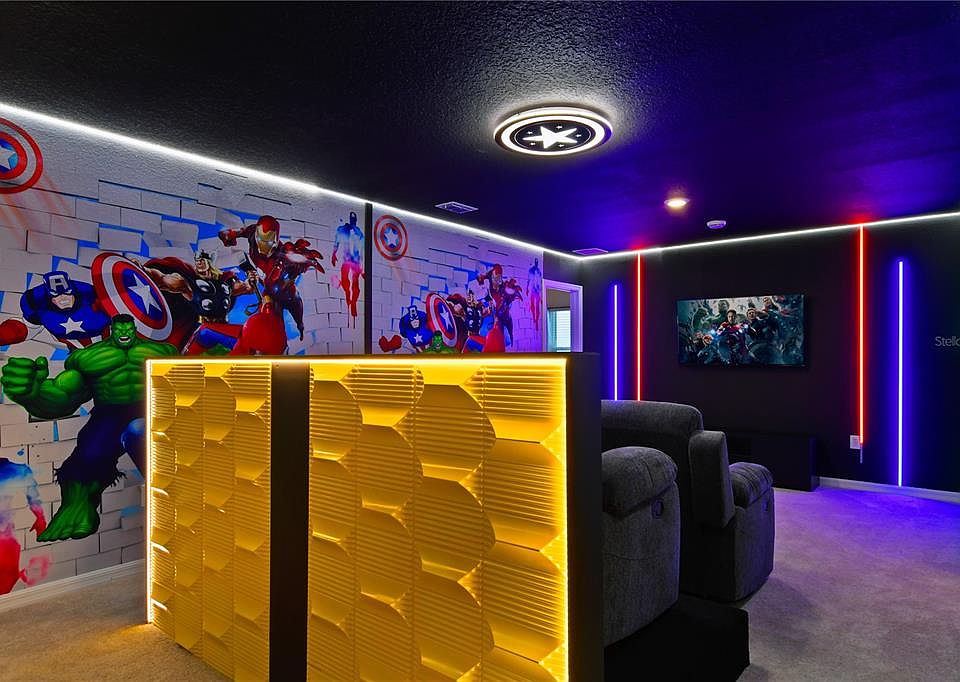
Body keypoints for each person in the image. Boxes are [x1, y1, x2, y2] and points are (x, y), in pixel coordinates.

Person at [0, 314, 178, 541]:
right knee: (87, 457)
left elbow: (182, 387)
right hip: (110, 412)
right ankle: (77, 507)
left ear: (134, 329)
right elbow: (66, 395)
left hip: (152, 408)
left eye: (128, 328)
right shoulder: (89, 358)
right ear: (112, 329)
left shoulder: (162, 352)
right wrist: (34, 394)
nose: (124, 333)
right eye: (119, 328)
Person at [218, 215, 325, 342]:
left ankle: (299, 328)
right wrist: (230, 235)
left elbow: (276, 279)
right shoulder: (252, 233)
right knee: (268, 323)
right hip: (268, 291)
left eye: (268, 242)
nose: (262, 246)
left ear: (275, 239)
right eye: (260, 240)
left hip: (285, 293)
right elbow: (240, 232)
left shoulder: (283, 255)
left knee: (295, 313)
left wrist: (297, 267)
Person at [142, 250, 257, 354]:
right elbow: (161, 279)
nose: (199, 263)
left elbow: (248, 288)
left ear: (209, 262)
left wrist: (252, 280)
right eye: (197, 260)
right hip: (201, 335)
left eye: (202, 260)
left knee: (251, 336)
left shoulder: (224, 284)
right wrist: (143, 270)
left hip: (223, 330)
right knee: (208, 332)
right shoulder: (189, 283)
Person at [19, 271, 111, 350]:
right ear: (51, 299)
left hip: (109, 343)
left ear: (73, 292)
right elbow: (29, 327)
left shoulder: (94, 298)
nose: (63, 298)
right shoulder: (37, 306)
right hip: (76, 351)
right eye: (56, 295)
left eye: (67, 293)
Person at [0, 458, 49, 594]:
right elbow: (34, 497)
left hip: (5, 537)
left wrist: (40, 519)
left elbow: (33, 497)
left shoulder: (19, 470)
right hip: (6, 536)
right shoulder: (20, 470)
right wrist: (40, 519)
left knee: (8, 576)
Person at [331, 212, 364, 325]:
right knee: (345, 280)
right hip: (346, 260)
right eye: (352, 220)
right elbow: (337, 241)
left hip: (356, 261)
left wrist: (363, 268)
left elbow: (362, 249)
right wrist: (333, 254)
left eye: (354, 220)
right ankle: (347, 296)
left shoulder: (358, 232)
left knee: (355, 284)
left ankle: (353, 303)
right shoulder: (343, 229)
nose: (353, 221)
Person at [527, 258, 543, 329]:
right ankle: (534, 318)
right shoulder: (531, 270)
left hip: (537, 291)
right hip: (532, 290)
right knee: (532, 305)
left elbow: (541, 282)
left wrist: (542, 295)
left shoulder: (539, 271)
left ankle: (536, 321)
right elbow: (529, 280)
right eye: (536, 262)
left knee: (537, 306)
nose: (536, 263)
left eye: (537, 262)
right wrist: (527, 289)